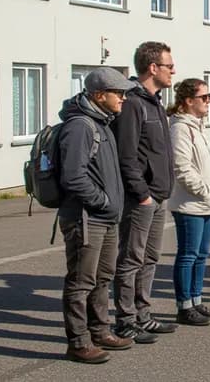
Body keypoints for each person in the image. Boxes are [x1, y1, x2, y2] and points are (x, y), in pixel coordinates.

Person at [58, 68, 137, 364]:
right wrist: (102, 201)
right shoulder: (81, 126)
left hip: (104, 217)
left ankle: (100, 331)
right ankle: (78, 343)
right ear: (99, 95)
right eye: (119, 93)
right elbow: (73, 176)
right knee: (81, 281)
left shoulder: (102, 122)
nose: (124, 99)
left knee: (103, 277)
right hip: (86, 218)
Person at [112, 41, 177, 343]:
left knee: (150, 258)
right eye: (169, 65)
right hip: (142, 198)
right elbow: (127, 156)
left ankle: (143, 315)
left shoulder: (156, 101)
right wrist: (142, 194)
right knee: (131, 258)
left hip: (158, 195)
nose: (173, 70)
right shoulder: (134, 103)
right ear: (153, 68)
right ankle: (125, 320)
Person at [167, 78, 210, 326]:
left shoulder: (198, 126)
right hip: (190, 204)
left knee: (201, 254)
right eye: (204, 97)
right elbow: (182, 167)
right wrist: (202, 190)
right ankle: (184, 305)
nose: (209, 101)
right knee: (188, 255)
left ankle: (196, 300)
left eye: (209, 96)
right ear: (189, 101)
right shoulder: (180, 128)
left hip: (206, 202)